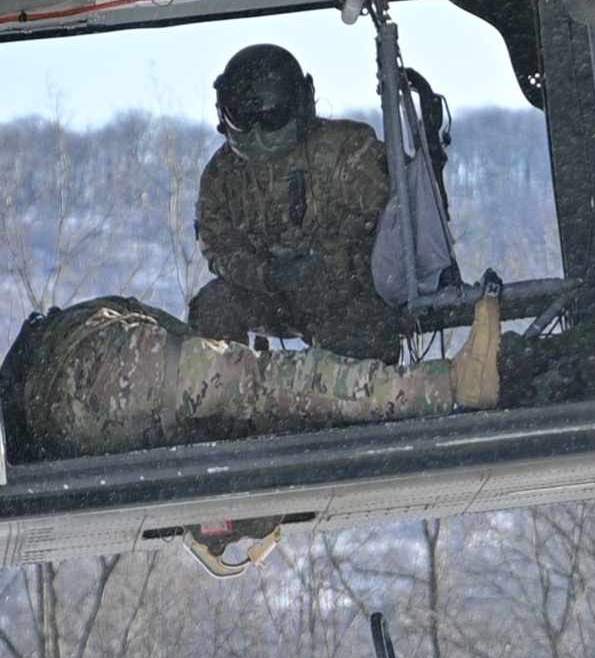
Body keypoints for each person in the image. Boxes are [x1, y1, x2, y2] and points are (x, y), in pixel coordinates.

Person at [0, 289, 500, 463]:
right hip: (86, 372)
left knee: (261, 389)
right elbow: (265, 382)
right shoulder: (121, 366)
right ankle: (451, 383)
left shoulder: (123, 362)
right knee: (265, 383)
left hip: (55, 395)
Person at [188, 44, 400, 362]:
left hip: (350, 300)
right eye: (245, 113)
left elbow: (398, 226)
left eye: (272, 110)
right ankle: (226, 397)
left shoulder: (345, 150)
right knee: (213, 305)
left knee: (356, 346)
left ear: (299, 101)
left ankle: (364, 401)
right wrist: (267, 274)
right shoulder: (221, 175)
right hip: (273, 298)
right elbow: (219, 247)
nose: (259, 127)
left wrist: (338, 269)